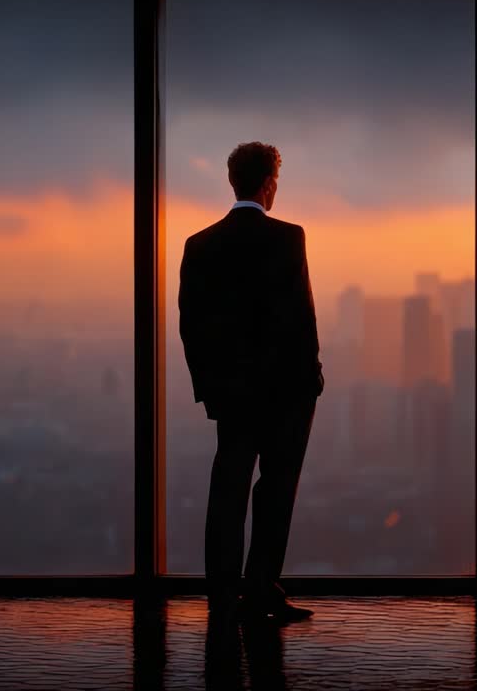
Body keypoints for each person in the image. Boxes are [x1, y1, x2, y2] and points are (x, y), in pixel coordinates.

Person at [179, 141, 323, 622]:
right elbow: (302, 317)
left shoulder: (199, 245)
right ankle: (260, 588)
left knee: (228, 489)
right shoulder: (288, 238)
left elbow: (190, 326)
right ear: (269, 185)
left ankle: (221, 595)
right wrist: (313, 379)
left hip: (233, 397)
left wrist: (210, 390)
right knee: (276, 490)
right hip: (285, 394)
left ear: (232, 181)